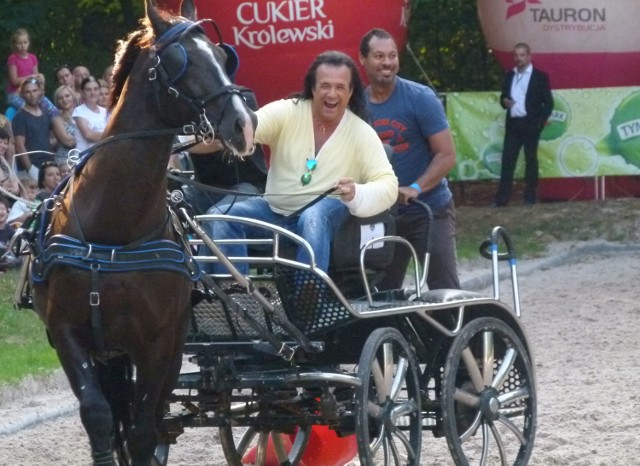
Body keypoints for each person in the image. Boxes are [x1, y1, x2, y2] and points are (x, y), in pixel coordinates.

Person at [203, 50, 398, 274]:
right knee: (221, 217)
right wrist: (228, 128)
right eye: (325, 86)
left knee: (312, 217)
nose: (332, 94)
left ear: (351, 91)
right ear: (312, 88)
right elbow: (252, 127)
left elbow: (389, 186)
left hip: (328, 217)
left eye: (340, 87)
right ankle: (235, 300)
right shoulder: (288, 111)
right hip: (274, 211)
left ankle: (309, 301)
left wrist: (357, 194)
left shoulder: (361, 132)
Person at [359, 28, 460, 290]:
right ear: (363, 59)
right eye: (379, 56)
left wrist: (415, 188)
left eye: (392, 55)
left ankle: (454, 329)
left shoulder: (419, 98)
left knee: (443, 286)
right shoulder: (356, 105)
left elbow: (447, 155)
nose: (387, 62)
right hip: (382, 215)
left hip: (427, 208)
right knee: (378, 292)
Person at [494, 42, 553, 207]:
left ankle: (530, 197)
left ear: (529, 56)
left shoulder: (540, 76)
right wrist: (504, 102)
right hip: (513, 123)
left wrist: (539, 124)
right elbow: (503, 97)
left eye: (522, 55)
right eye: (516, 56)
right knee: (507, 161)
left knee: (531, 160)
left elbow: (548, 103)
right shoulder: (509, 75)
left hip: (530, 123)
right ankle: (502, 199)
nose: (518, 59)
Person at [12, 79, 75, 180]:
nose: (32, 94)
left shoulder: (46, 113)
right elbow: (19, 146)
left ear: (40, 92)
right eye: (28, 92)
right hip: (31, 168)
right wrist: (30, 169)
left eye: (35, 90)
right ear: (22, 94)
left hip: (49, 165)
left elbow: (52, 136)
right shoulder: (20, 117)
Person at [5, 28, 59, 118]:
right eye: (19, 43)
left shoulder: (32, 58)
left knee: (52, 110)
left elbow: (35, 79)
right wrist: (31, 77)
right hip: (15, 93)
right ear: (15, 45)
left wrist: (40, 78)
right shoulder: (13, 58)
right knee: (31, 109)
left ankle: (66, 128)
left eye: (25, 42)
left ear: (29, 43)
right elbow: (14, 81)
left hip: (32, 91)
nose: (23, 46)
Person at [72, 76, 108, 153]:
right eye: (88, 90)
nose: (93, 93)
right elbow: (88, 135)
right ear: (82, 93)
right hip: (85, 155)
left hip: (104, 153)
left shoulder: (105, 112)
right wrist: (111, 135)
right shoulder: (79, 111)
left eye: (96, 89)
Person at [53, 84, 78, 164]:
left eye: (67, 96)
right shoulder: (56, 119)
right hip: (65, 160)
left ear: (73, 97)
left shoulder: (82, 113)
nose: (64, 99)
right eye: (60, 98)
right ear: (57, 101)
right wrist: (87, 137)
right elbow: (68, 142)